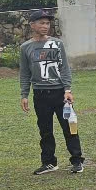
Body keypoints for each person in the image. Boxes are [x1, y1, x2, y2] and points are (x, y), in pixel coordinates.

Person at [19, 10, 84, 175]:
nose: (45, 26)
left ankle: (77, 160)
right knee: (45, 130)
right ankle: (49, 162)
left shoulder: (57, 44)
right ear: (32, 25)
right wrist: (24, 95)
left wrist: (67, 90)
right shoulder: (26, 47)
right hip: (40, 94)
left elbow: (64, 68)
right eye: (41, 23)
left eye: (47, 23)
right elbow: (25, 73)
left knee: (69, 127)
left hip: (59, 93)